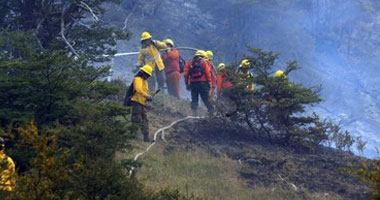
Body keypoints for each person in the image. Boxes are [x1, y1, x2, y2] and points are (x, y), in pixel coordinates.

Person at [131, 64, 154, 142]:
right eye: (147, 75)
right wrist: (146, 96)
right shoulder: (137, 79)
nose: (147, 77)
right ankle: (132, 136)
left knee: (145, 119)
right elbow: (138, 89)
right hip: (136, 102)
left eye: (148, 76)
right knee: (136, 119)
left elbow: (144, 92)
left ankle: (146, 137)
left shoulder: (145, 82)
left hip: (142, 103)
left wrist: (147, 98)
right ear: (143, 73)